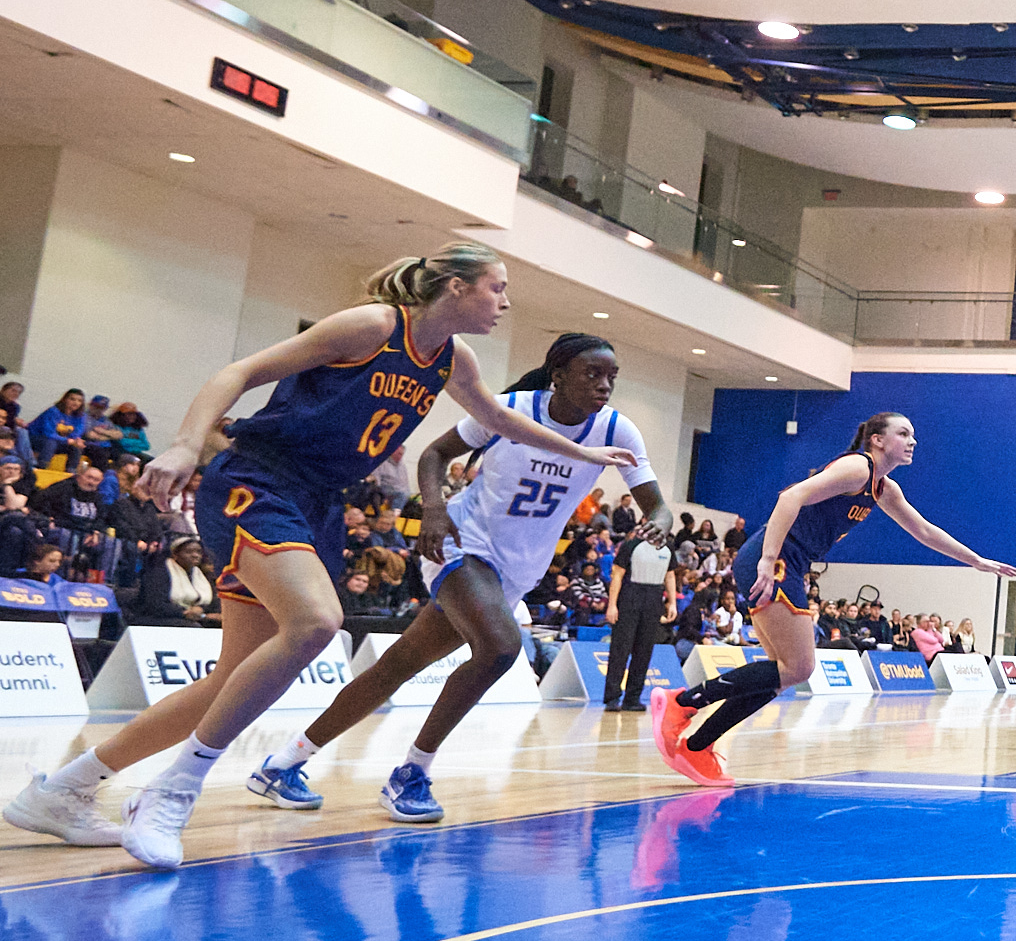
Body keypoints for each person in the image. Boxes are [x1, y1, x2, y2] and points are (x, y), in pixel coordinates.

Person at [3, 244, 635, 867]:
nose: (505, 301)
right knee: (316, 623)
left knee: (232, 681)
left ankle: (64, 790)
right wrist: (184, 445)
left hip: (320, 503)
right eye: (496, 287)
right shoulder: (373, 325)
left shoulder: (452, 357)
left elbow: (497, 417)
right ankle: (173, 790)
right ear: (455, 287)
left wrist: (587, 455)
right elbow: (239, 373)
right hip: (262, 480)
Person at [254, 333, 665, 822]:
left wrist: (657, 522)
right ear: (558, 375)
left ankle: (283, 763)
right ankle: (412, 772)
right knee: (500, 648)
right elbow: (432, 454)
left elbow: (656, 504)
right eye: (592, 374)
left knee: (398, 665)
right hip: (460, 542)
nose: (604, 386)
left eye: (611, 377)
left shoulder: (617, 430)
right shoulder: (507, 409)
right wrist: (432, 508)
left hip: (517, 569)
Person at [651, 411, 1015, 785]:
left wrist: (976, 561)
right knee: (800, 667)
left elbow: (923, 530)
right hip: (778, 558)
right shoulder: (858, 468)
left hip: (792, 562)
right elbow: (790, 496)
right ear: (876, 439)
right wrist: (767, 558)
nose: (912, 441)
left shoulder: (884, 488)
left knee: (781, 674)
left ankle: (696, 747)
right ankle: (681, 705)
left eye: (913, 435)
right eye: (903, 433)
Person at [605, 498, 677, 712]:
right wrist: (612, 605)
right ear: (646, 522)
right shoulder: (631, 546)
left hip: (654, 597)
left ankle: (632, 698)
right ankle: (612, 697)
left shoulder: (668, 548)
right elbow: (616, 575)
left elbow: (670, 576)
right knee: (621, 648)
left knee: (644, 650)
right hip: (630, 595)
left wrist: (671, 602)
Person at [132, 535, 219, 625]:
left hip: (195, 616)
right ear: (175, 555)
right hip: (160, 617)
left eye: (199, 552)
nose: (195, 555)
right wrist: (184, 612)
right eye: (189, 552)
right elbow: (156, 604)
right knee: (192, 626)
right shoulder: (159, 572)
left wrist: (201, 609)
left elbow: (213, 603)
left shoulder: (203, 575)